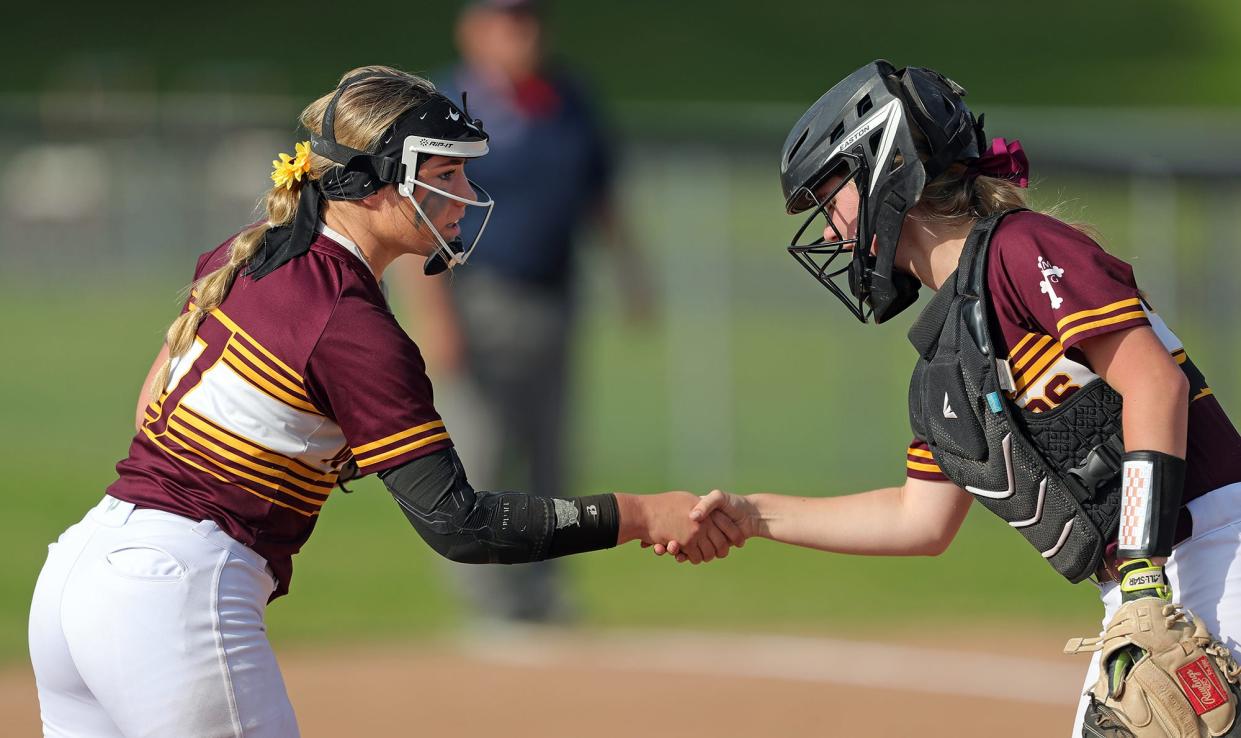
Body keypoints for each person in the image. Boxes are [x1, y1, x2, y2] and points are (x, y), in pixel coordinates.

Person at [27, 65, 732, 738]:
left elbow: (151, 404)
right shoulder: (352, 322)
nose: (466, 191)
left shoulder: (246, 254)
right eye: (446, 172)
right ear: (373, 184)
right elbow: (461, 526)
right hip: (174, 590)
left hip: (79, 574)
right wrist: (640, 514)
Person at [662, 60, 1241, 735]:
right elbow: (919, 520)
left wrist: (1142, 568)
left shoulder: (1022, 251)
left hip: (1214, 550)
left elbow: (1152, 382)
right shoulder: (944, 363)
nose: (826, 230)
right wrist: (752, 514)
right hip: (1142, 588)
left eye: (829, 197)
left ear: (885, 169)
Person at [402, 0, 651, 626]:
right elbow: (413, 216)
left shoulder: (567, 98)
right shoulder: (444, 105)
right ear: (472, 30)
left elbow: (601, 197)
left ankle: (544, 594)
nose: (521, 33)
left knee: (550, 455)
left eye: (529, 20)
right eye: (505, 20)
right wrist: (434, 318)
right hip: (476, 300)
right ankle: (487, 603)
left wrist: (633, 275)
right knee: (480, 453)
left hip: (555, 297)